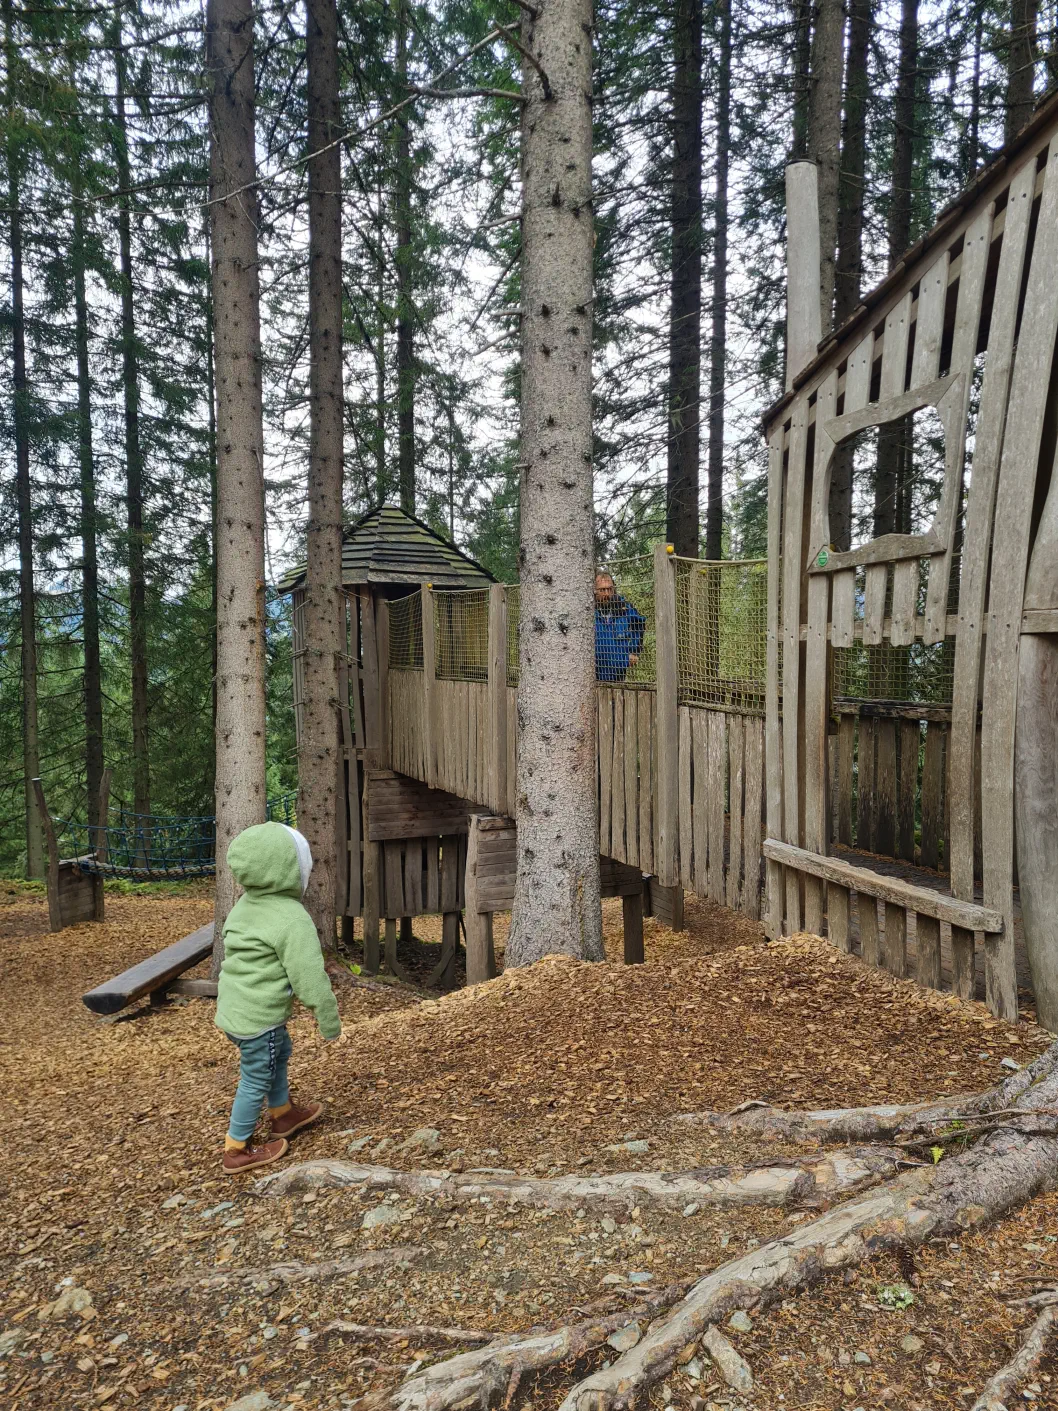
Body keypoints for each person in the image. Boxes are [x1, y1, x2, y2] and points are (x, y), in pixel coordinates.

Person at [215, 820, 341, 1174]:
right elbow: (309, 976)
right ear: (287, 870)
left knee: (279, 1052)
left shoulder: (245, 905)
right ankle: (236, 1149)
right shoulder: (290, 918)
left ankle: (283, 1114)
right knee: (257, 1074)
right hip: (258, 1018)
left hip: (236, 1010)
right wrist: (328, 1017)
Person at [594, 571, 646, 682]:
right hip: (594, 676)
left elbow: (639, 624)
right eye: (602, 590)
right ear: (594, 591)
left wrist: (634, 650)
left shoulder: (624, 608)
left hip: (619, 675)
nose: (607, 594)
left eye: (610, 589)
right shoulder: (588, 611)